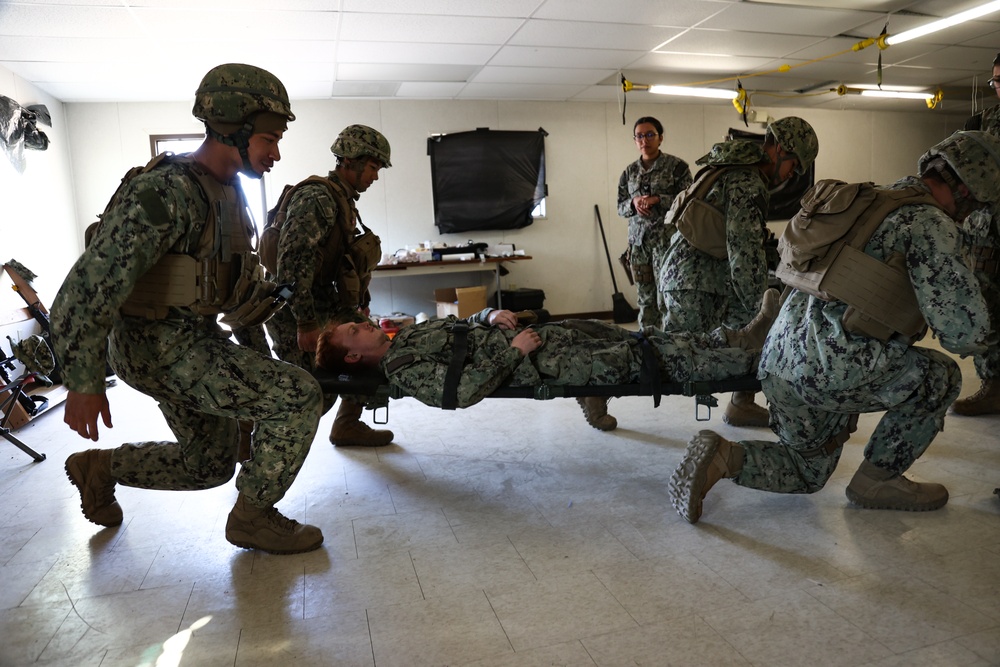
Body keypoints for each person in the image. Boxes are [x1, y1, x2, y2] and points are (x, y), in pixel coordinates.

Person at [50, 64, 325, 555]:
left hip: (192, 339)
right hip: (157, 347)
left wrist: (274, 332)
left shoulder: (225, 192)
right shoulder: (164, 192)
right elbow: (85, 291)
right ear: (231, 127)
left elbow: (235, 289)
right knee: (299, 396)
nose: (275, 153)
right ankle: (253, 518)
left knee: (209, 465)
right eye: (268, 138)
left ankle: (99, 469)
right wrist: (84, 382)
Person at [668, 130, 1000, 524]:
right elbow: (964, 331)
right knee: (940, 375)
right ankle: (878, 479)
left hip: (778, 360)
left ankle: (722, 456)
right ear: (968, 190)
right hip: (831, 367)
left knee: (808, 470)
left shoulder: (870, 201)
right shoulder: (930, 224)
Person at [314, 289, 780, 411]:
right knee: (651, 360)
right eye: (354, 331)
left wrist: (487, 317)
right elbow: (459, 393)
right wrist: (513, 352)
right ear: (354, 357)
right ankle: (764, 363)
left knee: (646, 338)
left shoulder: (406, 338)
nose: (363, 324)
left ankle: (734, 338)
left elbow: (458, 329)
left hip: (545, 340)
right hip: (542, 361)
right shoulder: (403, 367)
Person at [657, 117, 819, 428]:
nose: (788, 176)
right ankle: (600, 380)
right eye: (792, 166)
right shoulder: (748, 181)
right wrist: (761, 301)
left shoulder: (734, 170)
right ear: (782, 150)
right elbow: (744, 252)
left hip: (703, 279)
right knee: (671, 356)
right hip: (694, 282)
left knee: (751, 333)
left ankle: (741, 402)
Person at [265, 124, 394, 447]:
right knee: (311, 393)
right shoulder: (317, 198)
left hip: (324, 304)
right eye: (373, 167)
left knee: (371, 348)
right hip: (294, 309)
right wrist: (306, 322)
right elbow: (292, 263)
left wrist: (356, 304)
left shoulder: (342, 200)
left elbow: (341, 262)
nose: (375, 177)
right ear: (350, 161)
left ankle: (348, 425)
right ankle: (260, 440)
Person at [602, 117, 693, 434]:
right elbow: (619, 206)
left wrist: (658, 200)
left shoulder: (677, 167)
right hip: (639, 246)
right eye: (639, 136)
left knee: (669, 302)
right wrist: (634, 202)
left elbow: (689, 201)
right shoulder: (629, 171)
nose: (644, 140)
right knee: (645, 301)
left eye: (649, 134)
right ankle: (647, 354)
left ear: (660, 137)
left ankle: (670, 354)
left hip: (668, 246)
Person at [953, 52, 1000, 415]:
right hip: (987, 235)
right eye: (996, 82)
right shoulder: (981, 123)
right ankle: (993, 385)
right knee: (987, 309)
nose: (999, 89)